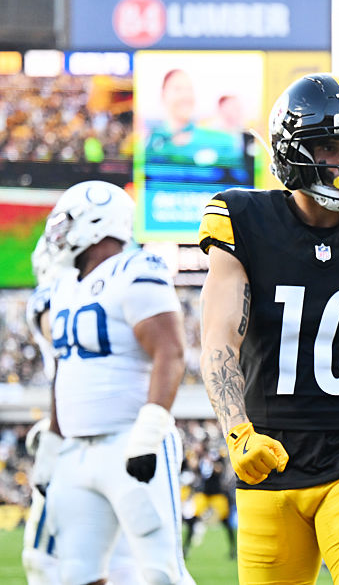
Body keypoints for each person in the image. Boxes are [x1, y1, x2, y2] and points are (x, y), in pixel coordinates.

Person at [197, 73, 339, 584]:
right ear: (293, 150)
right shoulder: (244, 219)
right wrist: (238, 432)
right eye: (329, 147)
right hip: (269, 461)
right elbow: (220, 339)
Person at [34, 180, 194, 585]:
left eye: (66, 221)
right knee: (75, 575)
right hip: (77, 449)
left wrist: (149, 431)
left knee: (161, 573)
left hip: (129, 441)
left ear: (96, 221)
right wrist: (53, 444)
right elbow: (65, 372)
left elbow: (171, 352)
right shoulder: (67, 286)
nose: (58, 232)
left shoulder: (135, 269)